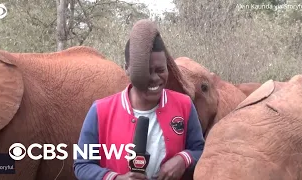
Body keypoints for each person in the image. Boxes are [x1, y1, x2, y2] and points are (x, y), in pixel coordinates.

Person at [73, 20, 205, 180]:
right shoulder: (100, 111)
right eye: (147, 71)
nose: (155, 78)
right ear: (127, 68)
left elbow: (200, 150)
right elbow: (82, 164)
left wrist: (183, 159)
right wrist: (116, 178)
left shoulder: (184, 105)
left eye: (160, 70)